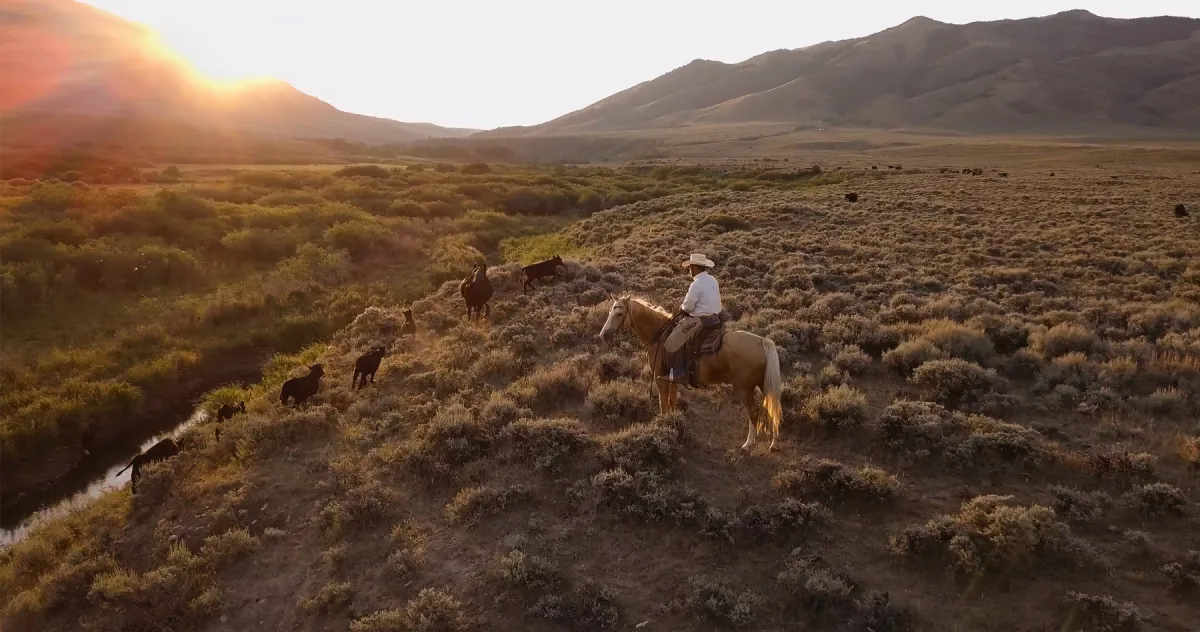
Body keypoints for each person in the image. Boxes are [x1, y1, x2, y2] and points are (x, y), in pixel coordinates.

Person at [663, 253, 723, 384]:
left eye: (691, 267)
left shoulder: (696, 284)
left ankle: (679, 373)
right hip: (715, 319)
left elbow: (689, 306)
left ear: (696, 267)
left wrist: (682, 310)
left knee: (673, 340)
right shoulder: (713, 280)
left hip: (701, 320)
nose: (690, 270)